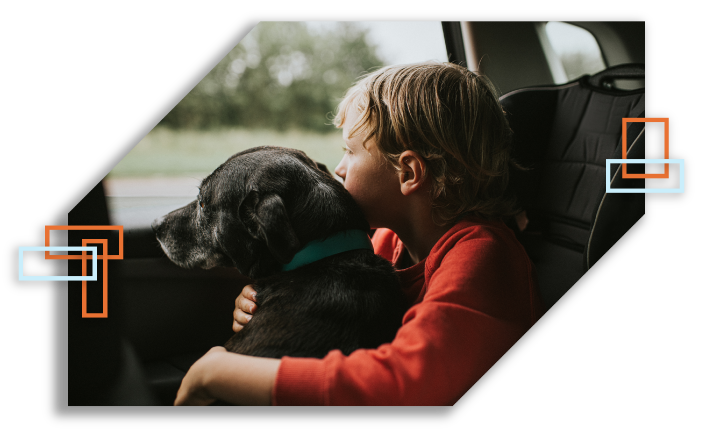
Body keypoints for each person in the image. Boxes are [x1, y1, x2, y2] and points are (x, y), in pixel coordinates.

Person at [174, 61, 545, 406]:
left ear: (408, 173)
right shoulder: (385, 241)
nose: (338, 168)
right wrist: (267, 302)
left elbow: (404, 382)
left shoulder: (482, 256)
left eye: (350, 151)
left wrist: (219, 372)